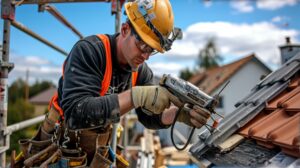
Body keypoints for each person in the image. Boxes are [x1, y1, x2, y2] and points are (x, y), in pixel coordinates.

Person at [17, 0, 211, 167]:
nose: (145, 56)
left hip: (94, 152)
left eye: (151, 50)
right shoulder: (91, 51)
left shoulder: (141, 70)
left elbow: (147, 118)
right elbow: (76, 113)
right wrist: (137, 96)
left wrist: (178, 115)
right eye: (142, 45)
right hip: (59, 148)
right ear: (125, 30)